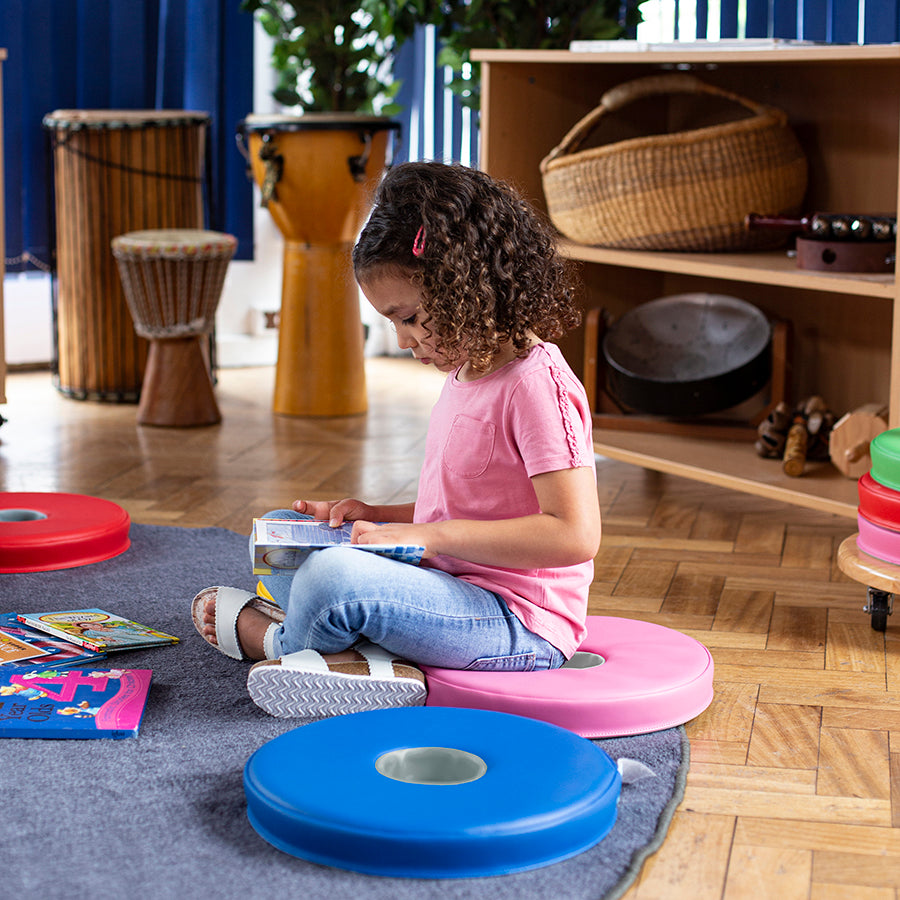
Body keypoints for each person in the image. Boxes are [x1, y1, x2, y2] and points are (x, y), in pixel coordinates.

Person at [191, 161, 602, 719]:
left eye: (408, 317)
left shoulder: (536, 386)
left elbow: (574, 535)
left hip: (516, 623)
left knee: (334, 580)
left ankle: (280, 647)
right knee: (294, 542)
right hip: (449, 584)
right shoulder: (467, 375)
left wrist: (428, 537)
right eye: (392, 324)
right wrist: (378, 517)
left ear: (468, 284)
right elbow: (465, 510)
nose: (405, 340)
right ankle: (348, 648)